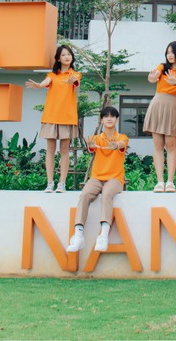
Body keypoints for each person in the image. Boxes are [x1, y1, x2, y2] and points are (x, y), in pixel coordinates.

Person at [67, 105, 129, 254]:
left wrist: (116, 145)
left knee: (107, 194)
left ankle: (103, 235)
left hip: (115, 178)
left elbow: (121, 144)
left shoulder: (122, 137)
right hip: (97, 178)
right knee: (85, 194)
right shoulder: (96, 139)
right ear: (101, 120)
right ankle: (78, 235)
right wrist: (90, 145)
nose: (109, 119)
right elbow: (92, 147)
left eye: (112, 116)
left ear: (117, 119)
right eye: (106, 116)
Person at [26, 44, 81, 193]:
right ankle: (50, 183)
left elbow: (75, 80)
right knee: (50, 149)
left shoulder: (75, 74)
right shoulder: (51, 75)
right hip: (51, 116)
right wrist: (39, 85)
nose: (67, 57)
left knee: (64, 150)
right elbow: (46, 82)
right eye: (63, 55)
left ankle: (62, 183)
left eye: (69, 54)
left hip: (67, 117)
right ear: (58, 58)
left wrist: (71, 81)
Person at [144, 40, 176, 192]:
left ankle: (170, 182)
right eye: (168, 52)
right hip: (158, 104)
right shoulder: (163, 67)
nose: (169, 55)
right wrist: (152, 78)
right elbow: (154, 76)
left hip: (172, 106)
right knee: (158, 146)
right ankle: (159, 182)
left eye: (172, 52)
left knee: (171, 146)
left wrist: (175, 81)